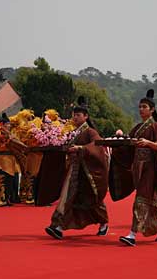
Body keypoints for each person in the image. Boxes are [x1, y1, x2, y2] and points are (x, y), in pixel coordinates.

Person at [110, 89, 157, 246]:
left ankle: (132, 234)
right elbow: (129, 145)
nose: (141, 109)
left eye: (144, 107)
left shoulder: (156, 127)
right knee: (149, 201)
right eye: (140, 107)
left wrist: (148, 144)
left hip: (149, 169)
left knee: (140, 200)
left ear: (152, 110)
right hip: (138, 169)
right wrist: (118, 140)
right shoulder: (137, 128)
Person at [45, 96, 110, 240]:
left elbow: (98, 145)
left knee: (91, 200)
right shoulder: (73, 131)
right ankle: (58, 226)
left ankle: (103, 223)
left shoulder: (90, 132)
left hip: (87, 172)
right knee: (70, 197)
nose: (75, 117)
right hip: (75, 170)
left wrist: (82, 148)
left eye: (78, 115)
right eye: (74, 114)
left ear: (86, 117)